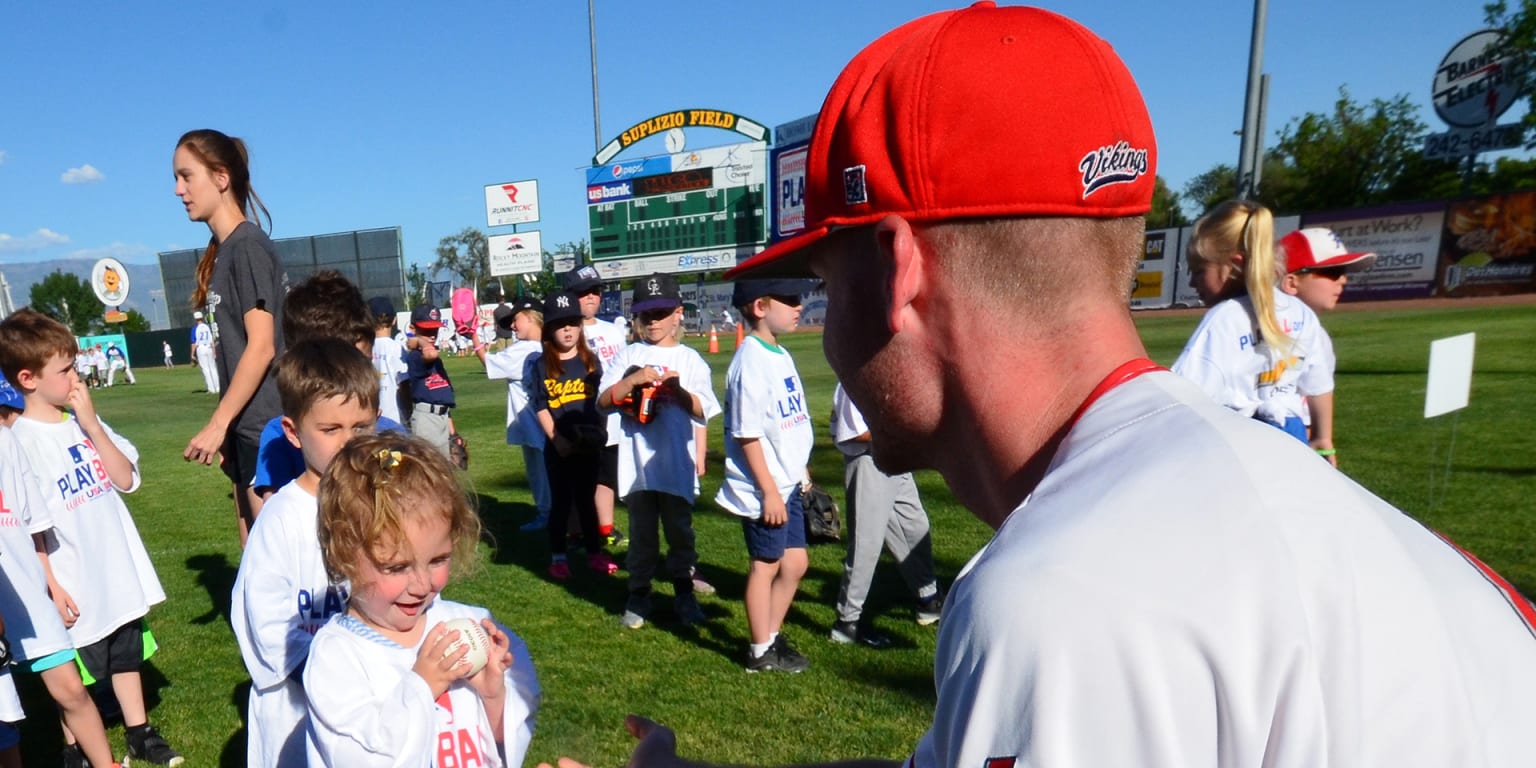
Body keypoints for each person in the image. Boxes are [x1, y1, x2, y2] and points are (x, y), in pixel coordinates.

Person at [546, 5, 1536, 767]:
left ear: (898, 273)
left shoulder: (1063, 602)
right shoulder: (1332, 515)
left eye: (827, 282)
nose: (826, 325)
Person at [0, 308, 182, 766]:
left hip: (113, 564)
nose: (76, 377)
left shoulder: (81, 422)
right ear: (27, 378)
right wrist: (51, 585)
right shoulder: (19, 440)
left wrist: (93, 425)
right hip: (70, 573)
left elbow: (124, 478)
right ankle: (74, 748)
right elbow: (27, 525)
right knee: (75, 674)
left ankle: (139, 731)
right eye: (64, 370)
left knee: (126, 649)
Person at [304, 432, 540, 767]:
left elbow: (509, 743)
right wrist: (423, 685)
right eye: (397, 566)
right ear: (343, 557)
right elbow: (360, 757)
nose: (422, 583)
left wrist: (493, 695)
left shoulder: (468, 624)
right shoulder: (338, 657)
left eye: (438, 560)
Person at [231, 338, 376, 767]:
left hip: (372, 701)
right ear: (293, 432)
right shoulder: (281, 519)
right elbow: (266, 625)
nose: (349, 443)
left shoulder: (386, 505)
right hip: (297, 713)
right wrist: (332, 677)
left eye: (362, 427)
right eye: (331, 430)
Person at [176, 128, 287, 547]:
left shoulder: (248, 248)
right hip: (244, 430)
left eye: (187, 176)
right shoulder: (222, 252)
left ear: (221, 178)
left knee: (280, 567)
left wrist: (217, 424)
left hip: (266, 427)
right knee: (256, 562)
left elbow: (262, 347)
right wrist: (228, 427)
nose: (178, 190)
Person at [0, 378, 118, 768]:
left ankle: (105, 763)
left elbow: (34, 523)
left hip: (25, 591)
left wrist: (49, 584)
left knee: (70, 689)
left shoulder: (6, 443)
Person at [597, 273, 720, 630]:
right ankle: (639, 593)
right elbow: (603, 403)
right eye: (646, 314)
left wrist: (677, 391)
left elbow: (704, 410)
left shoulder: (690, 359)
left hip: (675, 462)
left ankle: (684, 591)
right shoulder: (628, 355)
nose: (653, 321)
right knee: (643, 534)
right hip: (637, 466)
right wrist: (633, 380)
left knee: (681, 532)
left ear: (678, 313)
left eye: (662, 313)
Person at [714, 279, 816, 671]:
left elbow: (786, 423)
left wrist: (800, 470)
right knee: (766, 565)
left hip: (786, 481)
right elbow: (748, 432)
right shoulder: (751, 361)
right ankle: (760, 651)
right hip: (763, 487)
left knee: (794, 564)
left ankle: (771, 635)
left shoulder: (778, 352)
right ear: (759, 306)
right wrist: (769, 491)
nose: (798, 306)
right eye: (789, 299)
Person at [1170, 201, 1330, 444]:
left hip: (1241, 438)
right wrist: (1323, 438)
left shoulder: (1225, 318)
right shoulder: (1300, 312)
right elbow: (1318, 383)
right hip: (1293, 437)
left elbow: (1183, 393)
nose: (1193, 283)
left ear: (1236, 264)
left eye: (1199, 271)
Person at [250, 271, 399, 499]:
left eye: (364, 362)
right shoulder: (279, 437)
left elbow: (407, 498)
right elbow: (273, 513)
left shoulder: (391, 434)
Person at [828, 383, 943, 648]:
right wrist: (903, 436)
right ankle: (847, 622)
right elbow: (853, 432)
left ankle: (928, 599)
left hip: (893, 458)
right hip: (869, 461)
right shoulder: (854, 379)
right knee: (867, 543)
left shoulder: (879, 370)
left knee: (914, 524)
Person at [528, 292, 616, 579]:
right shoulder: (542, 365)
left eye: (572, 323)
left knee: (587, 500)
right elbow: (541, 407)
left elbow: (600, 402)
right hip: (560, 447)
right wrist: (557, 440)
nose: (567, 329)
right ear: (549, 330)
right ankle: (558, 556)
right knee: (562, 502)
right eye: (559, 324)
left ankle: (594, 553)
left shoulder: (589, 361)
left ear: (580, 327)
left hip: (588, 444)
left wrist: (601, 433)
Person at [1277, 228, 1378, 467]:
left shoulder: (1317, 336)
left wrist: (1322, 439)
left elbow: (1315, 391)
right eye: (1333, 272)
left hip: (1297, 439)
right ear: (1291, 282)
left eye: (1342, 272)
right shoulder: (1254, 327)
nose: (1343, 279)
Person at [563, 266, 627, 548]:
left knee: (606, 478)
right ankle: (576, 531)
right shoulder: (567, 331)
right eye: (583, 292)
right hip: (579, 415)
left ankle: (605, 527)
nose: (590, 297)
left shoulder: (613, 331)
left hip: (611, 421)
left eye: (595, 291)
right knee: (577, 479)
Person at [476, 298, 552, 533]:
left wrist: (474, 338)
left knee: (540, 473)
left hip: (530, 422)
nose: (513, 326)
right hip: (552, 419)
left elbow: (488, 363)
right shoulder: (552, 344)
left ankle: (547, 515)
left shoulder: (523, 349)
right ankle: (563, 516)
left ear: (530, 317)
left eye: (516, 319)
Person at [404, 305, 457, 458]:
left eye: (435, 330)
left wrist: (454, 434)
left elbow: (444, 399)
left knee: (445, 472)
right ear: (413, 328)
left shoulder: (436, 360)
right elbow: (431, 354)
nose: (432, 335)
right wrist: (419, 342)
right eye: (427, 330)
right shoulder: (415, 357)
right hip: (426, 419)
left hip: (442, 417)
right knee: (430, 470)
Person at [368, 296, 409, 425]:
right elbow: (404, 384)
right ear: (394, 320)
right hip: (394, 416)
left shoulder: (364, 348)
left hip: (370, 417)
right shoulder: (397, 348)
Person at [191, 310, 219, 392]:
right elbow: (211, 340)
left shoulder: (195, 329)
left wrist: (192, 354)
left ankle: (211, 389)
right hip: (209, 348)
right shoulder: (207, 327)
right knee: (213, 368)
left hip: (201, 348)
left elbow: (194, 343)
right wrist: (214, 352)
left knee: (206, 369)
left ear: (195, 319)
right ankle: (217, 388)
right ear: (202, 317)